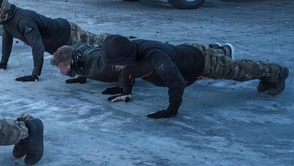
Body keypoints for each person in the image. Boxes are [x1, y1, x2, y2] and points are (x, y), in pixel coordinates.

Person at [101, 35, 289, 118]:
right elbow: (127, 72)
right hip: (184, 52)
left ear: (127, 57)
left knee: (239, 71)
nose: (116, 68)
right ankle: (221, 50)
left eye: (116, 63)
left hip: (202, 61)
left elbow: (177, 82)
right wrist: (125, 91)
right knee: (234, 66)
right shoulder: (129, 57)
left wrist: (171, 110)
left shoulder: (155, 58)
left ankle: (278, 73)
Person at [0, 0, 106, 82]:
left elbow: (37, 46)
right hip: (57, 43)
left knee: (99, 41)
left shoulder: (23, 21)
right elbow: (7, 39)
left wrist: (35, 75)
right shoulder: (6, 20)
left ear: (1, 10)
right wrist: (3, 62)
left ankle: (121, 41)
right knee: (76, 55)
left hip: (68, 33)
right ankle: (82, 77)